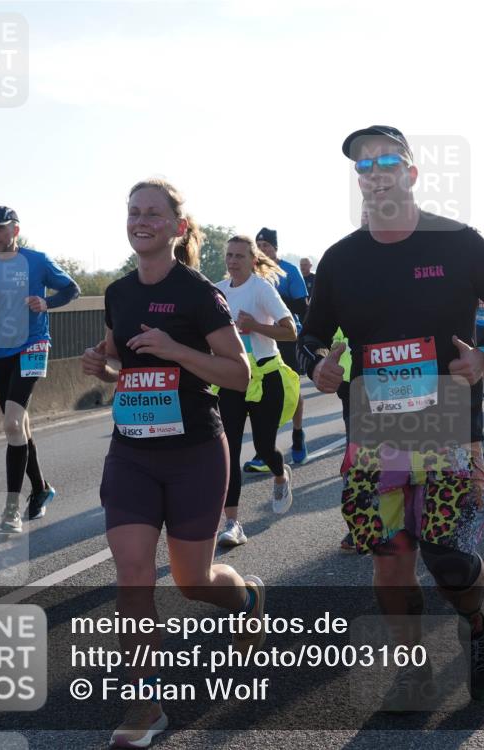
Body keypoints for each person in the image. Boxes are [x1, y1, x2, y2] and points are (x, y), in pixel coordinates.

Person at [299, 125, 484, 707]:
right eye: (363, 166)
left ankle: (475, 627)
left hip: (449, 419)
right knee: (392, 559)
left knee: (448, 558)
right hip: (376, 431)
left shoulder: (456, 241)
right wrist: (318, 367)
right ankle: (411, 665)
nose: (374, 173)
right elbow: (311, 335)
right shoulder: (341, 258)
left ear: (411, 173)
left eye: (386, 161)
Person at [81, 179, 265, 747]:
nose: (142, 220)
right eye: (134, 212)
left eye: (153, 213)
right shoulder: (118, 292)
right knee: (133, 574)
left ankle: (247, 600)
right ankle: (145, 704)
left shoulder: (199, 293)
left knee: (192, 581)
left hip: (194, 456)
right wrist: (101, 366)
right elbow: (120, 365)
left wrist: (177, 349)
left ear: (177, 227)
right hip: (132, 453)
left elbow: (240, 374)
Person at [0, 206, 80, 532]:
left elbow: (71, 289)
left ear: (15, 231)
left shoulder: (37, 260)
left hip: (33, 345)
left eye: (0, 228)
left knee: (11, 421)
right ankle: (42, 489)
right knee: (18, 424)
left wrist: (47, 303)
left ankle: (10, 512)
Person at [216, 235, 297, 547]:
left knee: (264, 448)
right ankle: (233, 523)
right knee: (230, 451)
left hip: (266, 376)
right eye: (230, 255)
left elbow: (290, 332)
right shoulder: (219, 292)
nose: (233, 261)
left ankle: (279, 475)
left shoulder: (262, 288)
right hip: (233, 379)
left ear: (252, 259)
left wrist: (254, 326)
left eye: (239, 256)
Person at [244, 228, 311, 468]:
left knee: (291, 389)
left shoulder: (289, 271)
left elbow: (301, 307)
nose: (262, 248)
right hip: (257, 339)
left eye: (267, 244)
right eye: (258, 244)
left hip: (286, 337)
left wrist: (273, 302)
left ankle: (297, 432)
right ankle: (264, 449)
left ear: (275, 248)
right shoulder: (250, 273)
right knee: (259, 395)